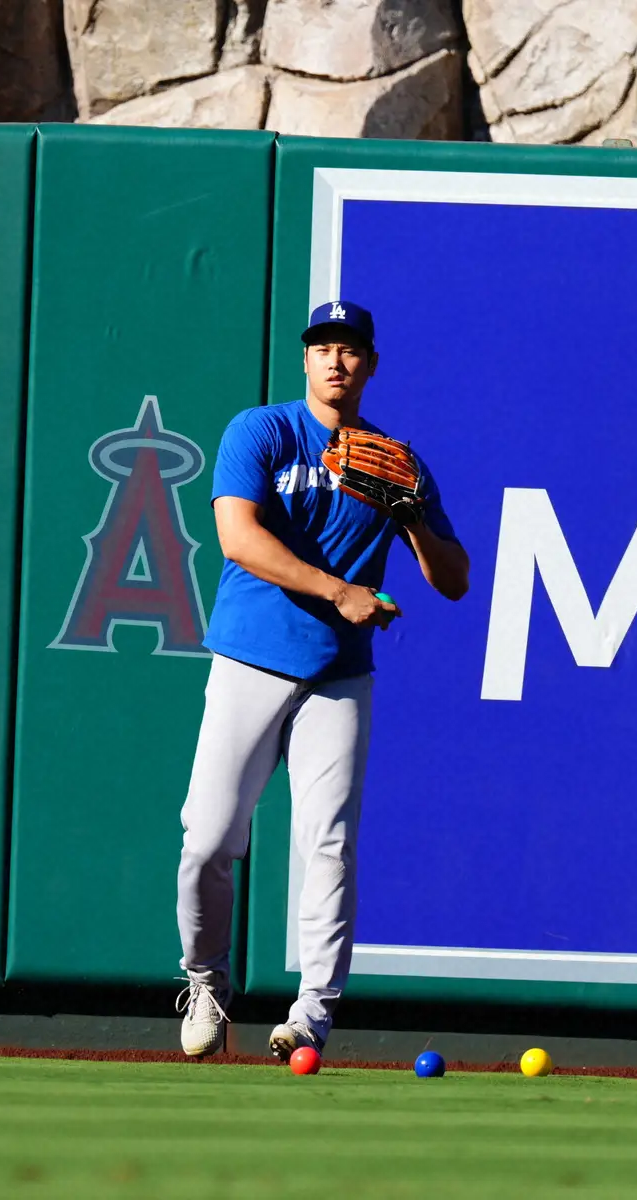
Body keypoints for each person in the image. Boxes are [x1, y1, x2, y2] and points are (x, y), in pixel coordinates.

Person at [175, 300, 470, 1061]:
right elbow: (238, 537)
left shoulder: (395, 462)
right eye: (323, 346)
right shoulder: (264, 431)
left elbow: (455, 580)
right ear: (304, 360)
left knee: (328, 845)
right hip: (250, 655)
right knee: (208, 839)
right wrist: (337, 588)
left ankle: (311, 1012)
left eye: (350, 349)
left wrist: (410, 518)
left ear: (371, 365)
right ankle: (206, 979)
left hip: (339, 675)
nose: (336, 360)